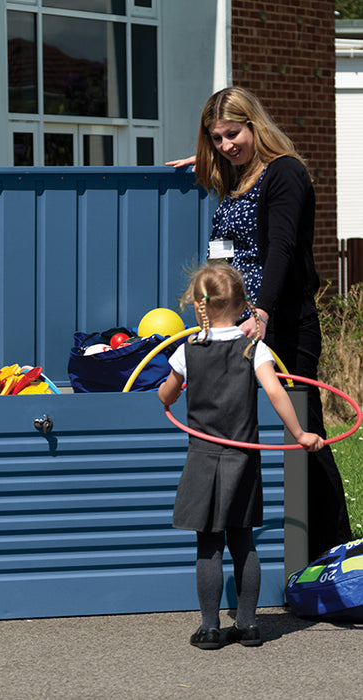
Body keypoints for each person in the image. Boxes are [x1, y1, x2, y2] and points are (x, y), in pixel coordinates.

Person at [167, 86, 351, 560]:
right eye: (217, 138)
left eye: (234, 133)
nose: (227, 145)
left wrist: (263, 310)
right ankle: (276, 546)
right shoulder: (235, 176)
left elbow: (282, 247)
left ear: (255, 125)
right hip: (234, 329)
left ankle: (338, 551)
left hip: (281, 322)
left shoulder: (284, 174)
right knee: (231, 429)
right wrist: (210, 158)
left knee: (303, 432)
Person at [158, 262, 324, 650]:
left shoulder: (189, 350)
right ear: (242, 304)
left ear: (196, 304)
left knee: (208, 545)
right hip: (242, 459)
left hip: (202, 458)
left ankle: (210, 628)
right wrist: (299, 433)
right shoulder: (255, 347)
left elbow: (167, 393)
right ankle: (248, 625)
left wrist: (168, 395)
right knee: (243, 541)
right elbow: (277, 392)